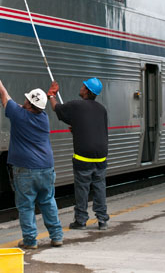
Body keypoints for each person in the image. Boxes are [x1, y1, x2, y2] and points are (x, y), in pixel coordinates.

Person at [0, 69, 63, 249]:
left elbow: (3, 94)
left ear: (29, 104)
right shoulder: (43, 118)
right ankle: (57, 236)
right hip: (46, 167)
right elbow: (34, 105)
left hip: (25, 169)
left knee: (26, 206)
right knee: (48, 201)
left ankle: (31, 241)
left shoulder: (19, 115)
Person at [47, 77, 110, 230]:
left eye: (83, 86)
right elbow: (98, 128)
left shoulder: (77, 105)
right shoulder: (101, 109)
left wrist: (51, 95)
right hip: (101, 156)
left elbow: (57, 109)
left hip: (84, 157)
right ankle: (102, 220)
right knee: (99, 187)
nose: (81, 88)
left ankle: (81, 221)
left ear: (87, 91)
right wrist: (77, 127)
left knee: (82, 189)